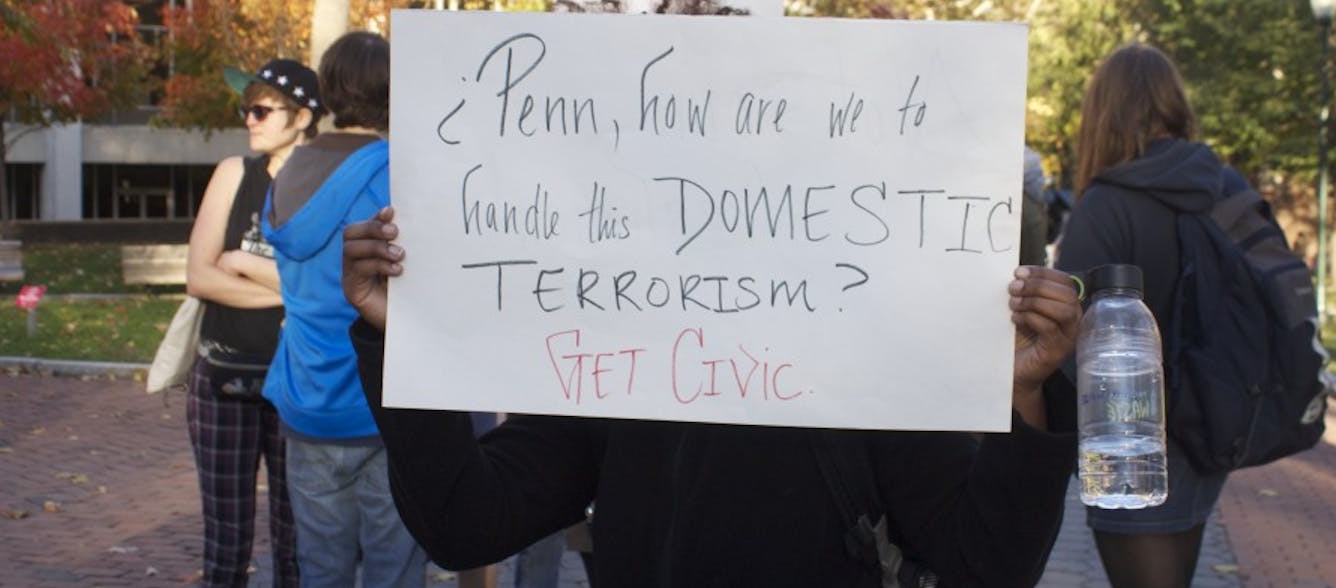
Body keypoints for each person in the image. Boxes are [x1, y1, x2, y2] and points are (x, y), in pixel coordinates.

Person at [341, 207, 1085, 587]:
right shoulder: (616, 366)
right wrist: (401, 340)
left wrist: (1025, 397)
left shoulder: (875, 368)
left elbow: (984, 567)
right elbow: (467, 524)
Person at [1053, 43, 1249, 588]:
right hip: (1215, 420)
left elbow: (1064, 338)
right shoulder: (1224, 184)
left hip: (1129, 437)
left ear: (1103, 112)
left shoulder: (1108, 202)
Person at [260, 31, 427, 588]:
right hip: (383, 401)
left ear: (328, 89)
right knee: (394, 571)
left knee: (321, 570)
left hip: (306, 400)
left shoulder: (287, 172)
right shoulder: (399, 174)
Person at [184, 58, 321, 587]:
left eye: (263, 109)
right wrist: (292, 292)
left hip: (297, 384)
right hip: (223, 377)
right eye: (247, 109)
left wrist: (241, 262)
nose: (251, 119)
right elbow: (199, 276)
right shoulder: (232, 173)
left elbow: (325, 283)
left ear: (303, 116)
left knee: (297, 543)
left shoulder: (325, 185)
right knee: (225, 544)